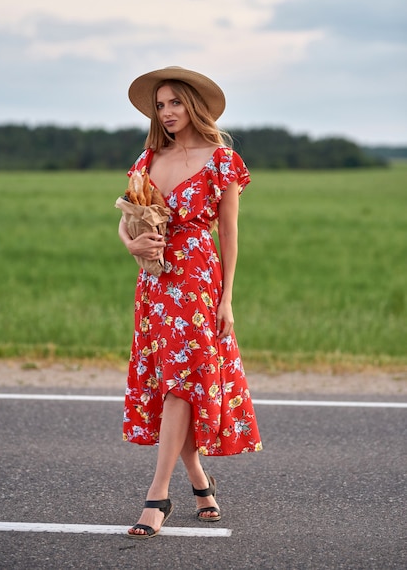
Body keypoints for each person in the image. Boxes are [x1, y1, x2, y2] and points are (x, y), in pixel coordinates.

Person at [118, 66, 262, 540]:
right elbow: (128, 215)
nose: (167, 112)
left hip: (199, 280)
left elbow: (229, 232)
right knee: (169, 384)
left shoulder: (222, 159)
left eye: (174, 102)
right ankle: (201, 484)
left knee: (181, 382)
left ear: (193, 105)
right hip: (156, 285)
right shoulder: (148, 158)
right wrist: (130, 244)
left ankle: (157, 495)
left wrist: (227, 298)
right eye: (160, 105)